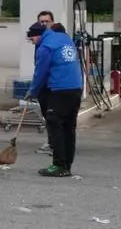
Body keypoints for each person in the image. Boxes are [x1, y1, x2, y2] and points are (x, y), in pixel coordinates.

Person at [24, 21, 83, 177]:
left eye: (32, 39)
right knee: (69, 127)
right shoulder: (64, 38)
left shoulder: (45, 47)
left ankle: (58, 165)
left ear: (38, 36)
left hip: (60, 89)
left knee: (54, 124)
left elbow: (41, 73)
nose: (32, 42)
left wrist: (32, 91)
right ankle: (67, 165)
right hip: (76, 88)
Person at [33, 10, 55, 155]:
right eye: (42, 22)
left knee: (54, 116)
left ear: (52, 23)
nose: (45, 24)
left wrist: (33, 89)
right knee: (46, 114)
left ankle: (55, 144)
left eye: (47, 21)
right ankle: (51, 141)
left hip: (54, 85)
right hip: (44, 86)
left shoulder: (54, 40)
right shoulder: (39, 41)